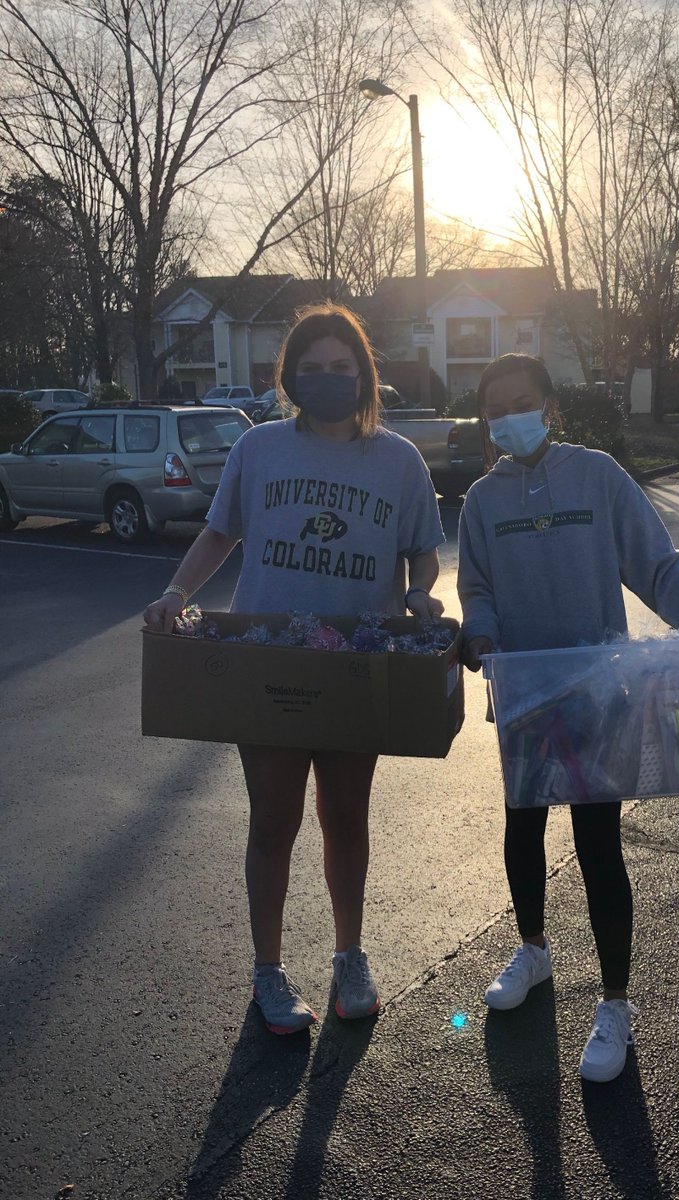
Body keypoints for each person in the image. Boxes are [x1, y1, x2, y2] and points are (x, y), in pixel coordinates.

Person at [143, 304, 445, 1035]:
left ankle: (349, 957)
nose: (328, 379)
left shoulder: (399, 459)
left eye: (342, 368)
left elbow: (423, 548)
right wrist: (176, 592)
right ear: (290, 378)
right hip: (267, 662)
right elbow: (221, 531)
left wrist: (418, 591)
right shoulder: (260, 450)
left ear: (364, 374)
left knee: (346, 816)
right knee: (272, 822)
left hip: (354, 665)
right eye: (313, 369)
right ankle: (268, 973)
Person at [457, 353, 679, 1084]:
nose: (509, 420)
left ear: (551, 408)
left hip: (600, 696)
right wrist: (481, 632)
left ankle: (616, 1003)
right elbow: (478, 587)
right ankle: (533, 950)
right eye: (496, 411)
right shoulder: (480, 505)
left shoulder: (596, 478)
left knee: (598, 847)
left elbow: (656, 566)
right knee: (521, 827)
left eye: (521, 403)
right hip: (525, 698)